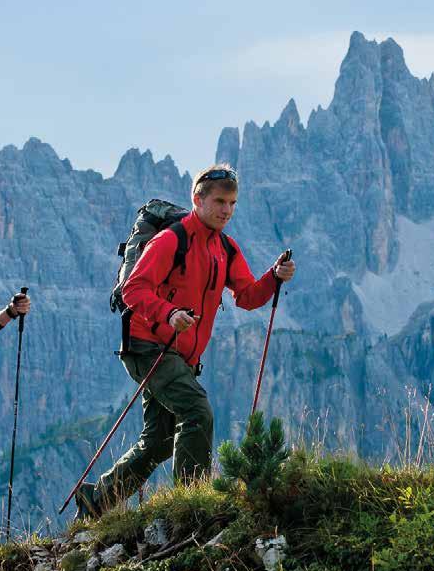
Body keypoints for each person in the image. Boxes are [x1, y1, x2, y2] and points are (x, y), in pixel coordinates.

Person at [75, 164, 295, 518]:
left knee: (160, 441)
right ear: (198, 199)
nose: (227, 210)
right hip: (147, 345)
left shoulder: (226, 247)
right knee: (196, 411)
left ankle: (96, 501)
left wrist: (274, 276)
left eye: (233, 203)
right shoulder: (171, 239)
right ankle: (191, 506)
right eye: (220, 201)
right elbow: (133, 288)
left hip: (179, 356)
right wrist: (168, 313)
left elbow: (249, 296)